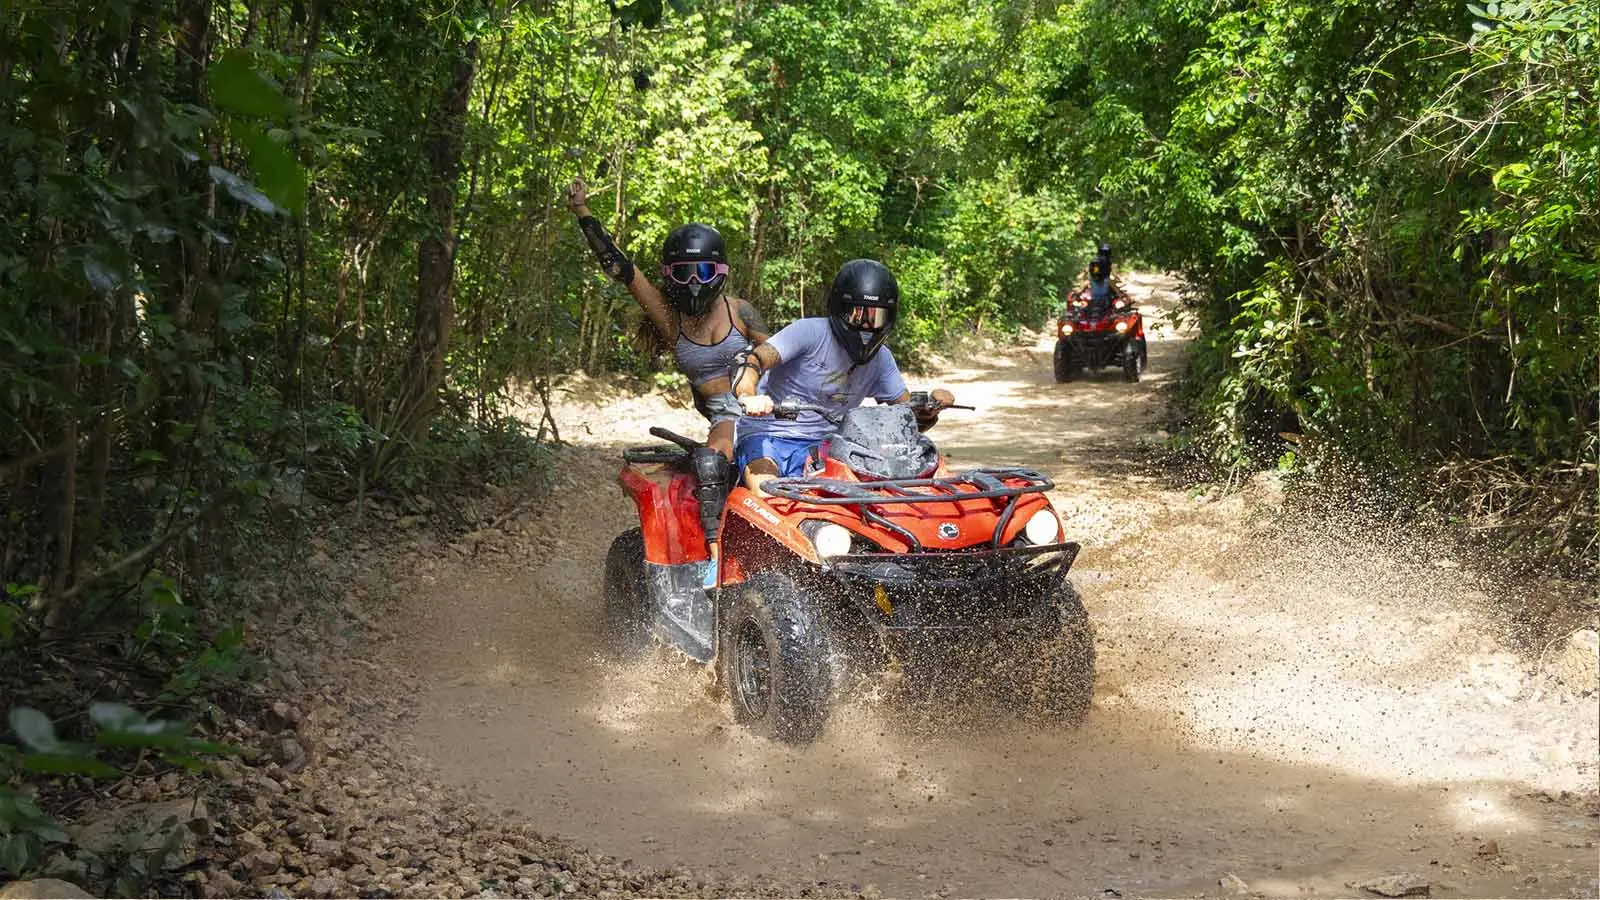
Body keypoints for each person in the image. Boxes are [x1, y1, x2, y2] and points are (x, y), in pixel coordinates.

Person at [567, 177, 768, 550]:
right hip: (724, 415)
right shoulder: (669, 319)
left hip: (766, 403)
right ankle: (715, 557)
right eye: (684, 273)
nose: (694, 283)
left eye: (704, 273)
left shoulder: (741, 312)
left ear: (720, 274)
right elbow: (620, 267)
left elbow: (778, 353)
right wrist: (583, 211)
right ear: (668, 276)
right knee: (714, 465)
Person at [732, 259, 949, 494]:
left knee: (867, 501)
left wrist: (929, 409)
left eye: (876, 318)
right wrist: (748, 396)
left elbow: (904, 419)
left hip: (831, 445)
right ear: (839, 309)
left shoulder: (882, 359)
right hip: (767, 437)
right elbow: (752, 360)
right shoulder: (809, 333)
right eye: (858, 315)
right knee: (767, 493)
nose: (866, 326)